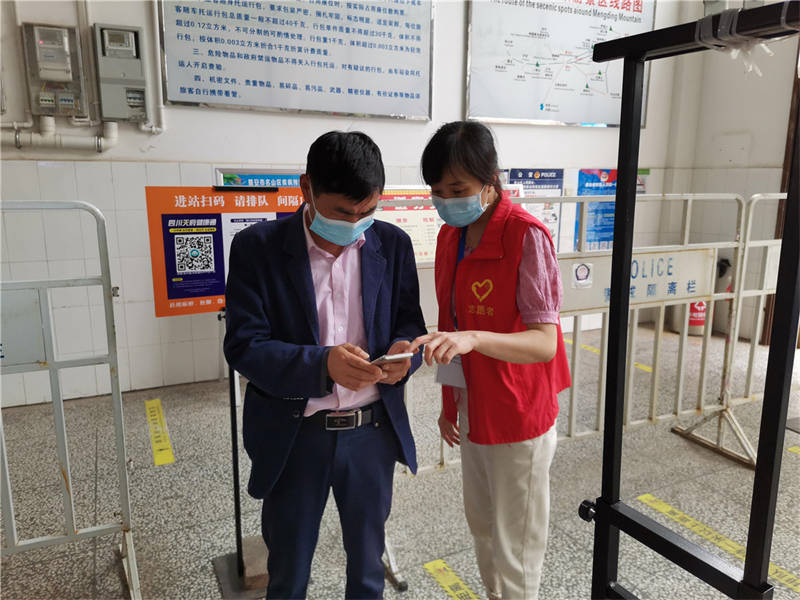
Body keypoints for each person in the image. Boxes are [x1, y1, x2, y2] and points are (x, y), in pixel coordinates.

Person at [223, 130, 427, 599]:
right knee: (289, 572)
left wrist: (405, 353)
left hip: (371, 432)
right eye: (340, 212)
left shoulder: (391, 244)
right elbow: (245, 346)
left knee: (368, 570)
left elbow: (409, 321)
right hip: (296, 435)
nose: (355, 223)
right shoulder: (258, 248)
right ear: (306, 188)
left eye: (366, 212)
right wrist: (323, 365)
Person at [409, 121, 571, 600]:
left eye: (457, 189)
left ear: (490, 180)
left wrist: (476, 338)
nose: (446, 200)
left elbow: (544, 343)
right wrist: (450, 402)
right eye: (437, 191)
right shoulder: (450, 237)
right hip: (473, 407)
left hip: (518, 413)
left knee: (516, 543)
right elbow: (451, 327)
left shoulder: (525, 236)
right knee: (482, 526)